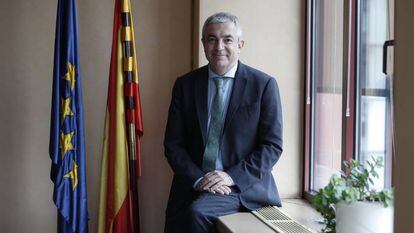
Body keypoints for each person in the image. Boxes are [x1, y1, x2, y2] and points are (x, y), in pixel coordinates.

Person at [164, 12, 283, 233]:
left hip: (243, 188)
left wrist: (230, 177)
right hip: (194, 183)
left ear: (240, 44)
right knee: (178, 218)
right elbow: (173, 145)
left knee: (197, 214)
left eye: (227, 39)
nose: (219, 47)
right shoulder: (185, 85)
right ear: (203, 44)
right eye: (211, 39)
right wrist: (199, 179)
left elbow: (272, 146)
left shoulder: (263, 85)